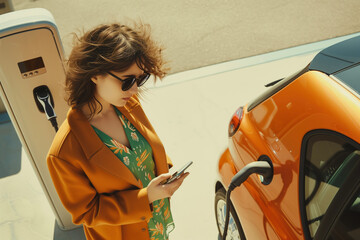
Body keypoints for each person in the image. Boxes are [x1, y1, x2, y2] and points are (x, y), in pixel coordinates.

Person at [47, 22, 189, 240]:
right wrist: (146, 197)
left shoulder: (128, 105)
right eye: (127, 80)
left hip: (156, 224)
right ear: (95, 74)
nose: (135, 89)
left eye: (140, 79)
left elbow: (147, 150)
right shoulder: (64, 151)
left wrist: (166, 171)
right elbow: (87, 212)